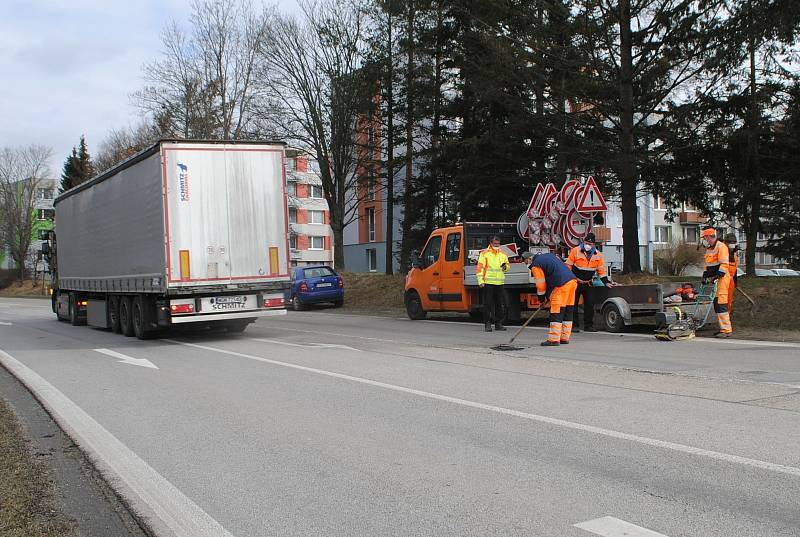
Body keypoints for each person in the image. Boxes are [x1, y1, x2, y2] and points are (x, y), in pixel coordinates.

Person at [524, 251, 578, 346]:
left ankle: (553, 339)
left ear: (529, 259)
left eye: (526, 262)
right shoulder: (549, 255)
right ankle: (564, 338)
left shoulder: (536, 264)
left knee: (556, 311)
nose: (527, 265)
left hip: (560, 285)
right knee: (567, 310)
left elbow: (540, 285)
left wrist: (541, 299)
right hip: (572, 282)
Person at [566, 232, 613, 332]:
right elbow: (568, 267)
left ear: (594, 245)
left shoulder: (598, 255)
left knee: (590, 304)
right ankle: (574, 325)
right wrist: (571, 278)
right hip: (575, 282)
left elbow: (601, 271)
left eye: (590, 244)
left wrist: (606, 282)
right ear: (583, 241)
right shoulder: (575, 251)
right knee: (573, 304)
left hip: (588, 283)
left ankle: (588, 325)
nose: (588, 245)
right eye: (587, 242)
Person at [701, 227, 733, 337]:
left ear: (711, 237)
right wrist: (705, 277)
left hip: (723, 278)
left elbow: (724, 264)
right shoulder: (709, 249)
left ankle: (726, 330)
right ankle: (722, 328)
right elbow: (708, 266)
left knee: (721, 304)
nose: (705, 240)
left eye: (706, 238)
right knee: (717, 304)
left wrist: (718, 276)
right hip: (716, 278)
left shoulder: (721, 247)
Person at [476, 235, 510, 332]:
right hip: (488, 282)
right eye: (495, 244)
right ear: (490, 244)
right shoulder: (484, 253)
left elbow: (507, 267)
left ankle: (498, 323)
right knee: (488, 304)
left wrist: (505, 267)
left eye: (498, 244)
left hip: (499, 282)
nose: (497, 245)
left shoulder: (503, 254)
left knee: (499, 304)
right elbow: (480, 268)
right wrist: (480, 281)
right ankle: (487, 323)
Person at [724, 233, 740, 316]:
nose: (732, 244)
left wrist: (735, 281)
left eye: (734, 242)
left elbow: (735, 268)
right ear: (726, 243)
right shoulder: (722, 251)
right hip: (722, 279)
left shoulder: (734, 253)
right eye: (730, 242)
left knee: (729, 301)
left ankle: (727, 318)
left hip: (731, 280)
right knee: (722, 301)